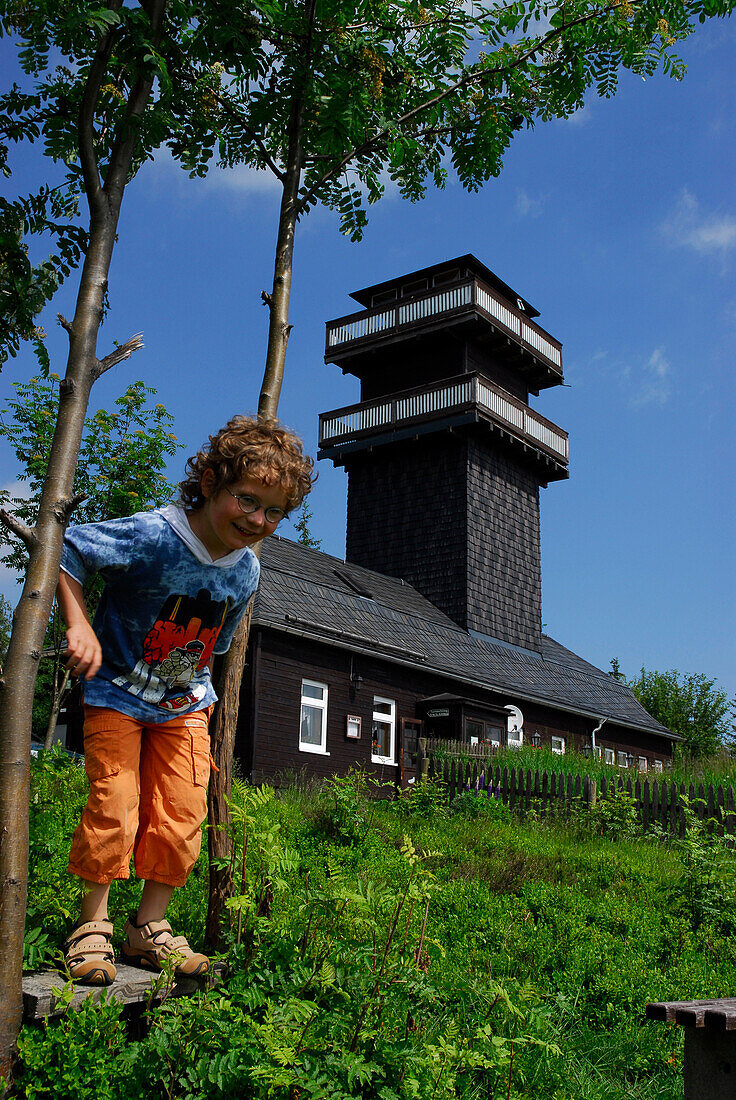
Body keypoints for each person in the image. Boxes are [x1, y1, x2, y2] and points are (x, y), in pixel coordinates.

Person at [57, 415, 314, 985]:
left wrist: (199, 700)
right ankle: (91, 927)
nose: (257, 520)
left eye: (274, 512)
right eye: (247, 500)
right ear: (209, 483)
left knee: (183, 814)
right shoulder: (154, 535)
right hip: (117, 694)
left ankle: (148, 929)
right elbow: (68, 549)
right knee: (114, 803)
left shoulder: (246, 572)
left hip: (184, 706)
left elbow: (215, 645)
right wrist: (79, 626)